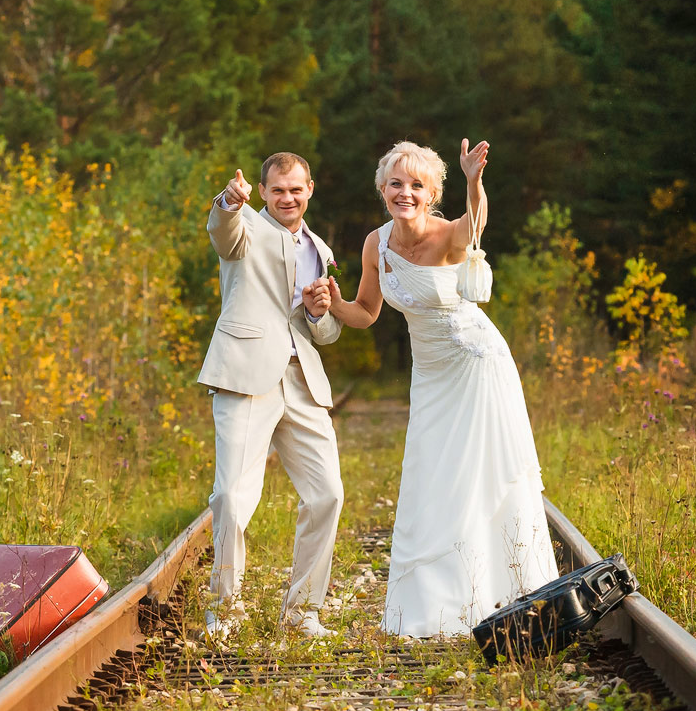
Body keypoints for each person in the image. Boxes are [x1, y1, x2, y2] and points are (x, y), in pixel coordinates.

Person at [324, 139, 559, 637]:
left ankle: (509, 595)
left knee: (480, 477)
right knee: (430, 479)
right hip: (431, 377)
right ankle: (437, 608)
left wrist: (474, 180)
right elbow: (365, 313)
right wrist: (330, 302)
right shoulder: (376, 244)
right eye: (396, 183)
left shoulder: (450, 233)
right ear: (382, 189)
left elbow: (476, 223)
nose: (404, 192)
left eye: (416, 185)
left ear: (431, 194)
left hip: (477, 367)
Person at [199, 152, 345, 640]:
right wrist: (227, 201)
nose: (288, 198)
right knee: (232, 499)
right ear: (261, 191)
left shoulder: (319, 248)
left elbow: (322, 335)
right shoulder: (244, 228)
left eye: (296, 189)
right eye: (278, 190)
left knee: (328, 494)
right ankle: (225, 613)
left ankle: (302, 612)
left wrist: (320, 312)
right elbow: (222, 232)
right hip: (245, 375)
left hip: (302, 381)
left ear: (310, 190)